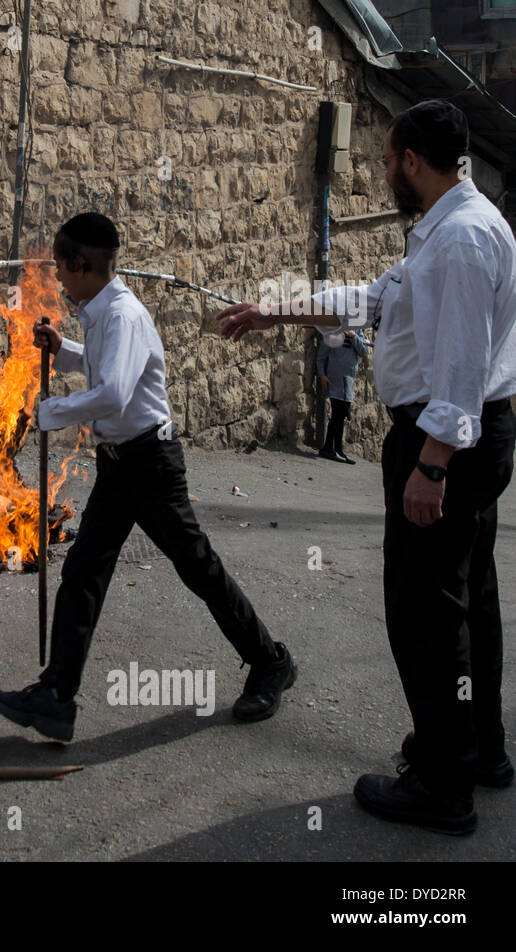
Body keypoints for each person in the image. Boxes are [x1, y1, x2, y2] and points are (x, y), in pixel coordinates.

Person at [217, 99, 516, 835]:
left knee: (424, 614)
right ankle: (475, 749)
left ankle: (443, 784)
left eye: (387, 160)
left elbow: (462, 365)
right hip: (465, 440)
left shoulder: (461, 242)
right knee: (468, 601)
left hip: (447, 442)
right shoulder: (448, 229)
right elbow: (371, 299)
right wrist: (274, 309)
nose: (383, 171)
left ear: (412, 161)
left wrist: (433, 465)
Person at [0, 212, 297, 742]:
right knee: (83, 572)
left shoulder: (122, 314)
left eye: (61, 268)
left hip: (151, 464)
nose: (57, 279)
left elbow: (113, 395)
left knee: (197, 567)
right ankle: (57, 697)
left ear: (81, 266)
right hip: (118, 465)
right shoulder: (101, 310)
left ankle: (270, 662)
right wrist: (63, 352)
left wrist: (50, 413)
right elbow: (106, 370)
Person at [317, 328, 368, 464]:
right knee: (337, 414)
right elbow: (321, 357)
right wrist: (322, 375)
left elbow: (363, 351)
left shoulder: (357, 329)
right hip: (335, 379)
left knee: (342, 415)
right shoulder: (332, 329)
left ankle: (338, 450)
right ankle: (328, 448)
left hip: (348, 380)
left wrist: (353, 336)